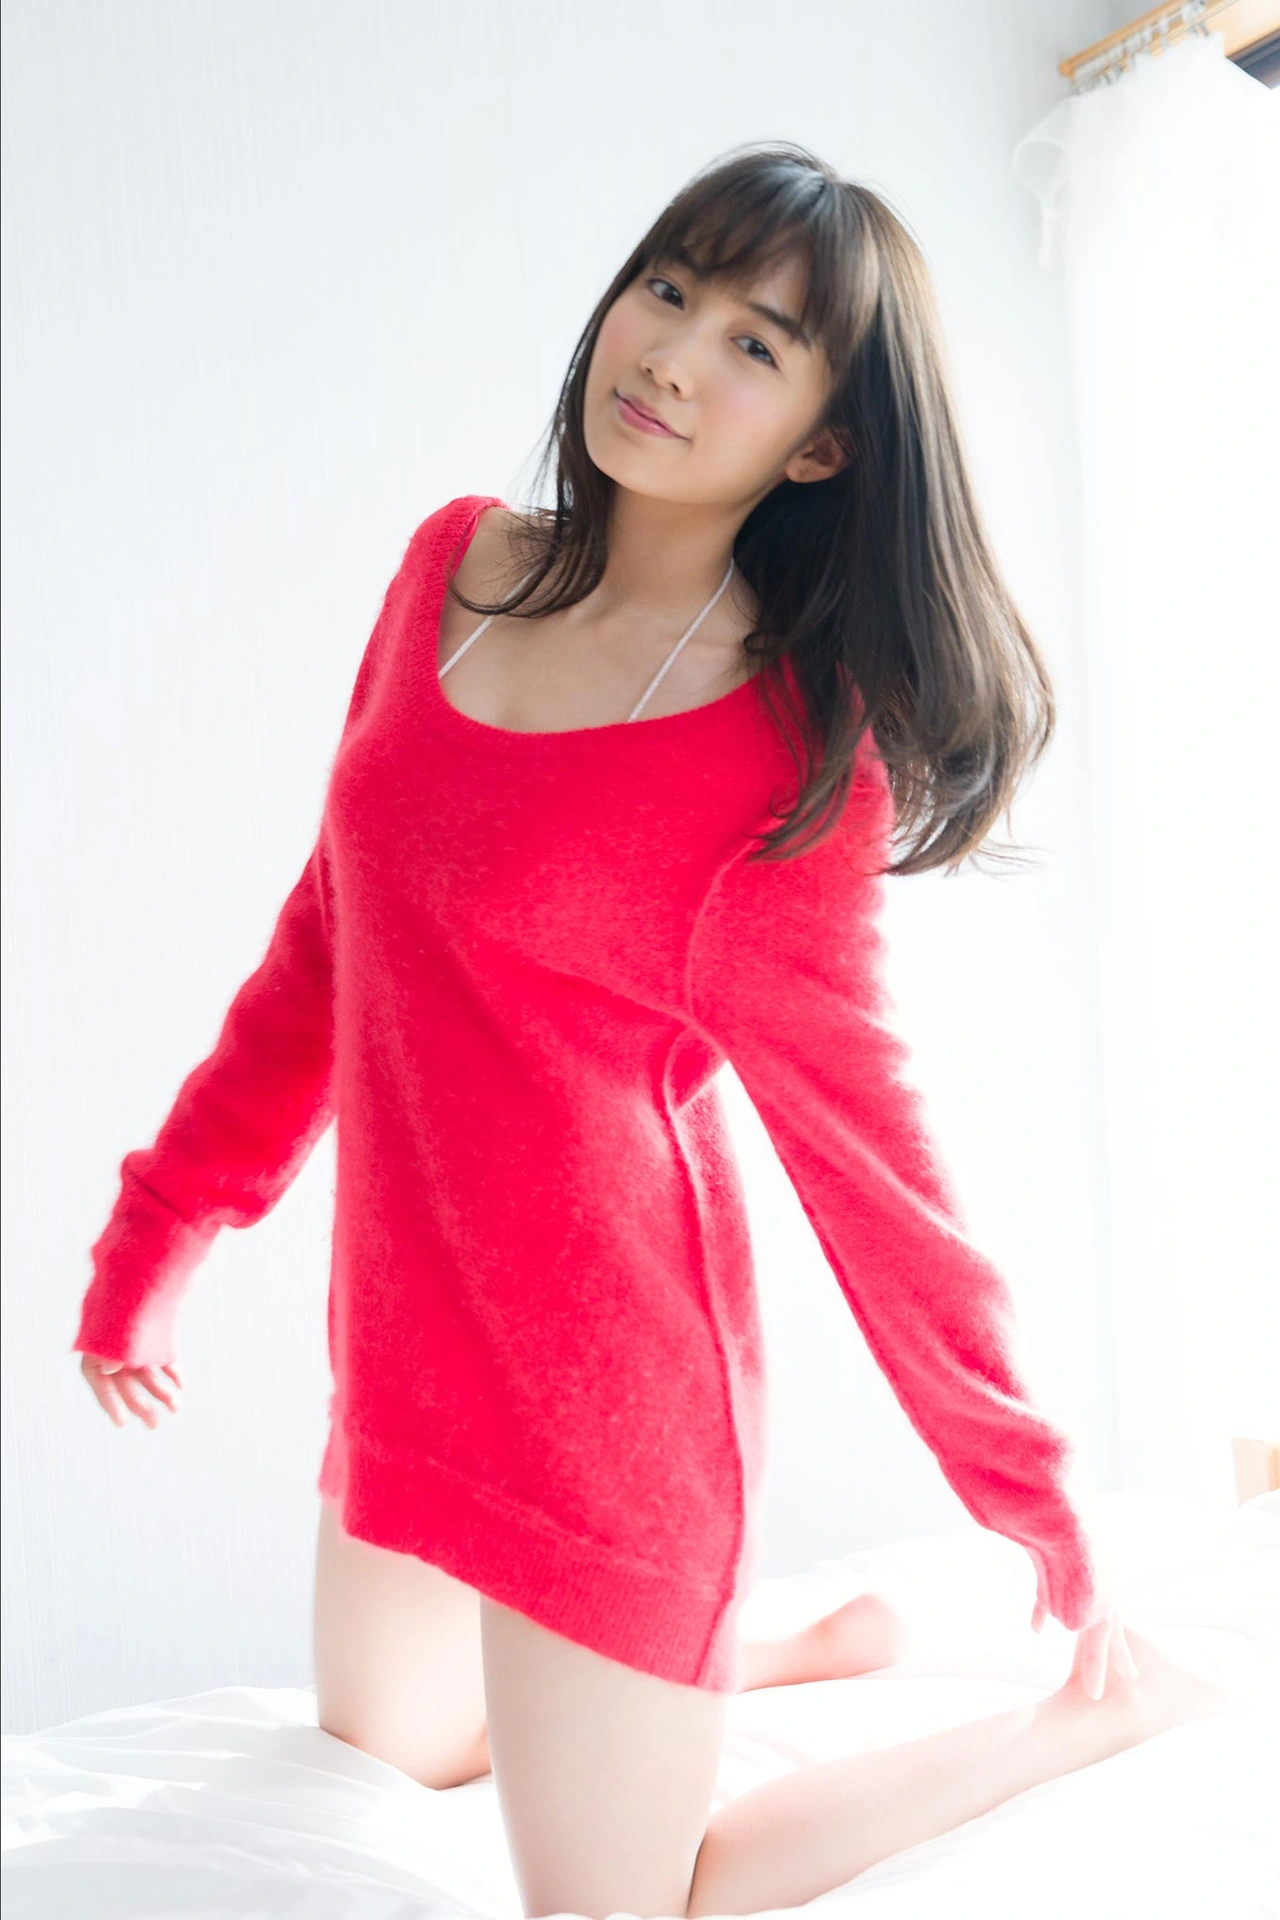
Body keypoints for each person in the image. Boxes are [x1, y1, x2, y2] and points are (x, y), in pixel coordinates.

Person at [70, 141, 1244, 1918]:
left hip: (607, 1407)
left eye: (757, 345)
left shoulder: (784, 755)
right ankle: (787, 1652)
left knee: (620, 1904)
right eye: (670, 289)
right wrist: (163, 1228)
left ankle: (1082, 1721)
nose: (676, 356)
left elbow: (876, 1162)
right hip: (404, 1339)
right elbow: (332, 938)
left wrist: (1035, 1494)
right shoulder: (451, 567)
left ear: (825, 444)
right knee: (389, 1748)